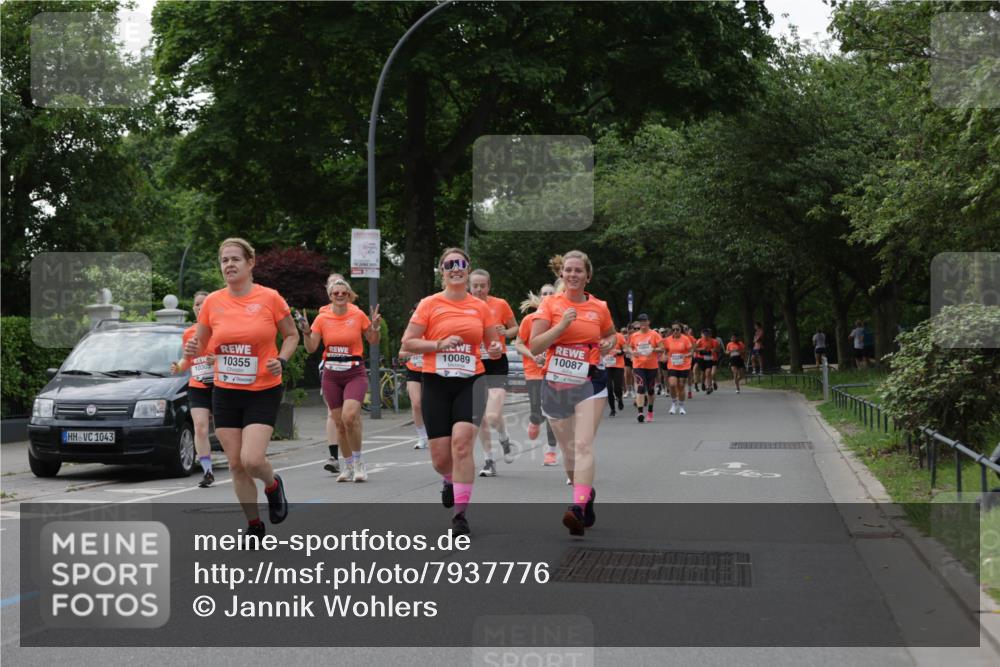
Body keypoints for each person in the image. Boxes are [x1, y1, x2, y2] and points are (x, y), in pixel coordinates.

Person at [185, 238, 298, 540]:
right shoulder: (212, 302)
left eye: (236, 259)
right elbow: (202, 343)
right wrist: (196, 347)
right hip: (225, 390)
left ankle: (273, 486)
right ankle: (254, 526)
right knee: (235, 464)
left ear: (251, 263)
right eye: (224, 260)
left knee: (252, 460)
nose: (230, 265)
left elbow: (291, 335)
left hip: (262, 388)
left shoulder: (270, 298)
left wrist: (281, 360)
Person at [401, 247, 502, 536]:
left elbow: (494, 349)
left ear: (468, 269)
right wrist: (437, 345)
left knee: (462, 443)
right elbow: (408, 342)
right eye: (449, 264)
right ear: (441, 270)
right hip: (435, 381)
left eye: (461, 263)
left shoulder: (481, 307)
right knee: (441, 458)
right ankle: (448, 479)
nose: (455, 268)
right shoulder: (429, 304)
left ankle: (460, 515)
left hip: (471, 381)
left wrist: (494, 349)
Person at [530, 251, 616, 536]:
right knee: (568, 452)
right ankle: (585, 495)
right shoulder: (550, 304)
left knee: (582, 446)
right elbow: (535, 346)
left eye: (579, 270)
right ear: (561, 275)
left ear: (587, 275)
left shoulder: (599, 307)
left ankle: (577, 507)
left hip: (591, 381)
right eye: (568, 270)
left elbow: (612, 334)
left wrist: (607, 343)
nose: (573, 274)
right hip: (556, 384)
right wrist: (562, 325)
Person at [298, 274, 381, 483]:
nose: (340, 295)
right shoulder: (322, 318)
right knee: (339, 424)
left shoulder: (358, 314)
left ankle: (360, 463)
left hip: (354, 372)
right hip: (332, 374)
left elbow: (372, 340)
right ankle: (348, 465)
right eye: (336, 293)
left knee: (349, 417)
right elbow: (311, 348)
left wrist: (375, 328)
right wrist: (307, 333)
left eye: (344, 293)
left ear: (349, 295)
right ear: (330, 296)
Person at [469, 269, 518, 477]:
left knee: (492, 414)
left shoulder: (500, 304)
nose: (479, 290)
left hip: (497, 363)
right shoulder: (464, 307)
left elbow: (515, 328)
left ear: (489, 286)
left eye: (483, 285)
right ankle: (489, 459)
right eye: (475, 286)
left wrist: (505, 333)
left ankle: (503, 435)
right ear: (469, 287)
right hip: (474, 363)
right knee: (480, 416)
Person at [171, 290, 215, 488]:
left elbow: (231, 353)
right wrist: (179, 366)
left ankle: (237, 464)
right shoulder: (189, 333)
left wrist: (217, 360)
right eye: (197, 304)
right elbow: (188, 360)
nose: (200, 306)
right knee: (200, 427)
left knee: (225, 430)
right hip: (198, 384)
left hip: (221, 383)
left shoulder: (220, 329)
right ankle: (207, 471)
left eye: (204, 303)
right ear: (193, 308)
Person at [515, 284, 560, 466]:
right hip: (533, 372)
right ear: (540, 298)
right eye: (544, 294)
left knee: (552, 412)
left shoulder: (559, 320)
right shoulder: (529, 320)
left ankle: (550, 451)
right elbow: (518, 344)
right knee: (538, 410)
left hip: (552, 371)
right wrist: (534, 355)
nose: (548, 296)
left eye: (551, 293)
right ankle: (535, 419)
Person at [626, 314, 663, 423]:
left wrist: (653, 349)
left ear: (648, 322)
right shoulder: (634, 336)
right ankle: (640, 412)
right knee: (641, 387)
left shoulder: (654, 335)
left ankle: (650, 412)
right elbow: (628, 347)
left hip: (652, 366)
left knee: (650, 390)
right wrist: (633, 352)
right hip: (638, 365)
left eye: (644, 321)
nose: (642, 324)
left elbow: (662, 348)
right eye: (641, 322)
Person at [663, 322, 694, 414]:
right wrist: (664, 356)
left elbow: (691, 351)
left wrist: (685, 355)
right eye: (673, 330)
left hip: (684, 366)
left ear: (681, 330)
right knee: (672, 385)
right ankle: (673, 404)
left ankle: (681, 406)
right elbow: (665, 351)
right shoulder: (668, 340)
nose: (675, 331)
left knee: (681, 386)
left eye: (677, 329)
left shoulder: (685, 339)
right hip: (672, 365)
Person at [603, 326, 626, 417]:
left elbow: (624, 349)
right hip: (607, 366)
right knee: (609, 388)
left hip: (618, 365)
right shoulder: (602, 337)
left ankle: (619, 398)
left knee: (617, 387)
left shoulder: (619, 336)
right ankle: (612, 409)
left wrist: (618, 352)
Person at [695, 328, 719, 395]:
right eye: (704, 334)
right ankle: (703, 383)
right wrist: (702, 349)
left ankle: (709, 387)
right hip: (702, 359)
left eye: (707, 334)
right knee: (703, 374)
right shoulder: (699, 340)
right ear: (702, 335)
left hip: (710, 358)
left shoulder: (713, 341)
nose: (705, 336)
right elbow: (695, 349)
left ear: (709, 335)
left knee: (708, 372)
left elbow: (716, 349)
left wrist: (711, 350)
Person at [621, 325, 635, 399]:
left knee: (633, 374)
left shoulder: (636, 336)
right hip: (626, 357)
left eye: (631, 329)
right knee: (627, 374)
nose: (630, 331)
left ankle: (632, 390)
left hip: (634, 357)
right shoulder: (624, 337)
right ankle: (627, 390)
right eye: (629, 329)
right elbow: (622, 346)